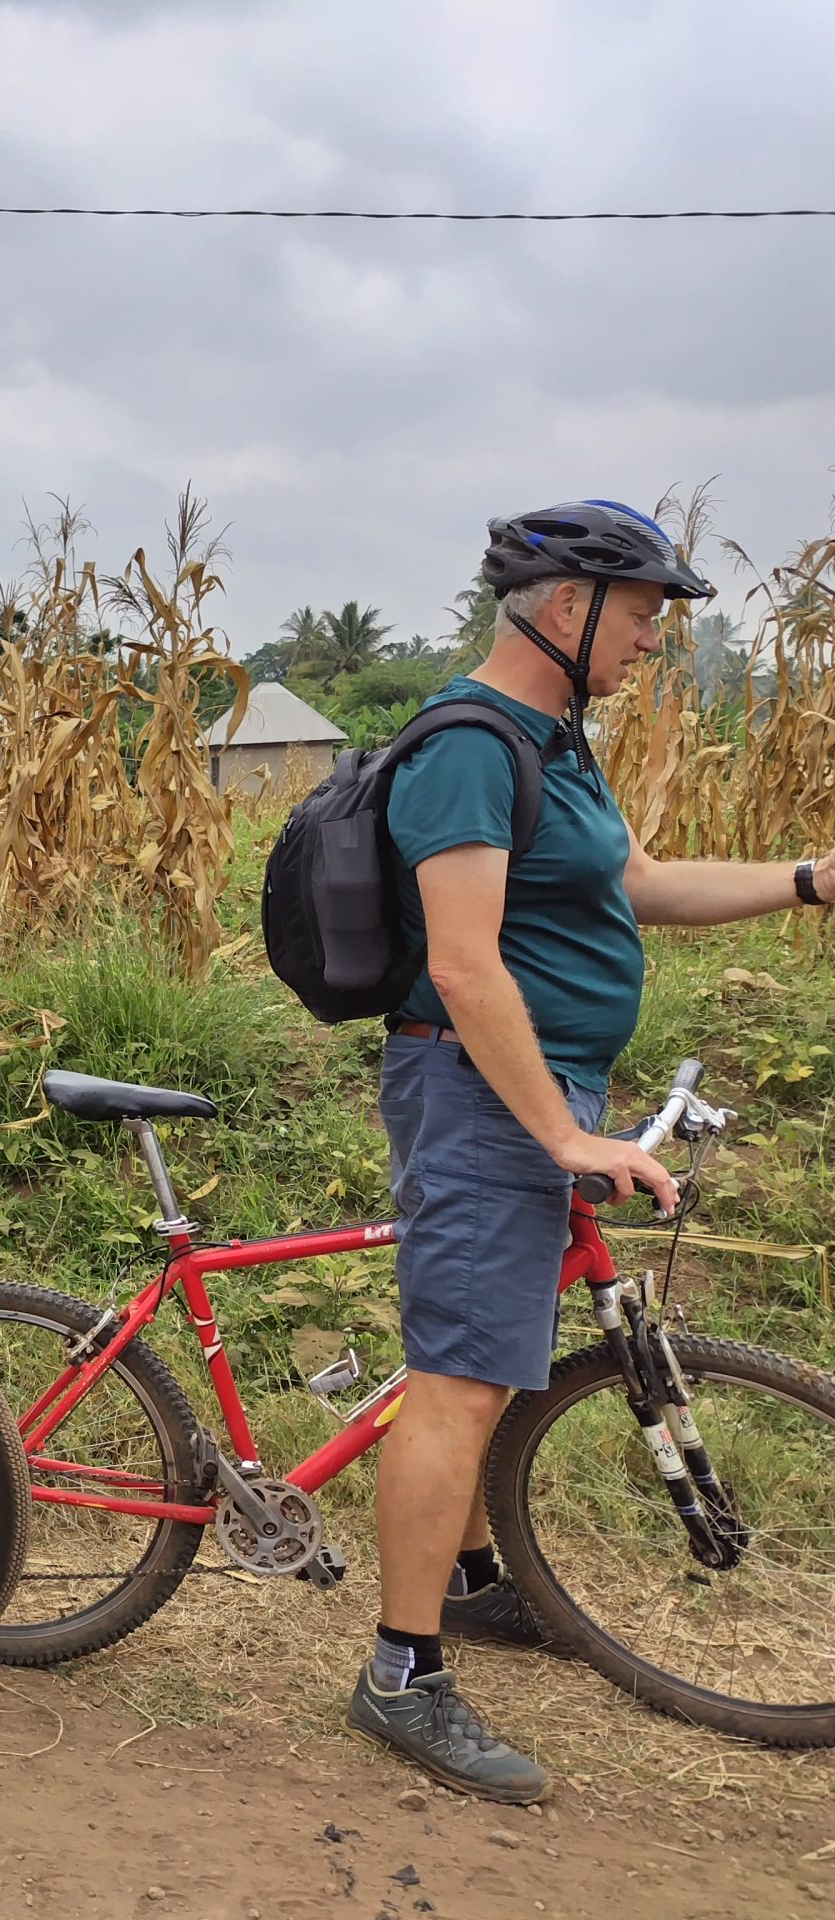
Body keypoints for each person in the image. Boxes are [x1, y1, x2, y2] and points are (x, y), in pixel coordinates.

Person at [352, 499, 834, 1802]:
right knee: (459, 1378)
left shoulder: (551, 742)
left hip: (529, 1087)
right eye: (640, 614)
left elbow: (638, 882)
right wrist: (562, 1129)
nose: (652, 641)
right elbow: (464, 964)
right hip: (479, 1091)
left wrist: (807, 878)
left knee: (489, 1353)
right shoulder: (468, 745)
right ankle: (400, 1675)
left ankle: (467, 1578)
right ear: (565, 607)